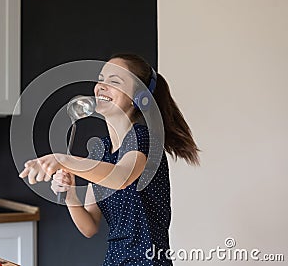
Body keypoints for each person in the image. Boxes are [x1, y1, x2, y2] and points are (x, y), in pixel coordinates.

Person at [19, 53, 200, 265]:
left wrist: (63, 160)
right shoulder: (100, 151)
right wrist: (70, 195)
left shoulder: (144, 138)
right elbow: (90, 226)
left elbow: (121, 177)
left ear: (139, 97)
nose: (101, 86)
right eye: (101, 79)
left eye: (114, 81)